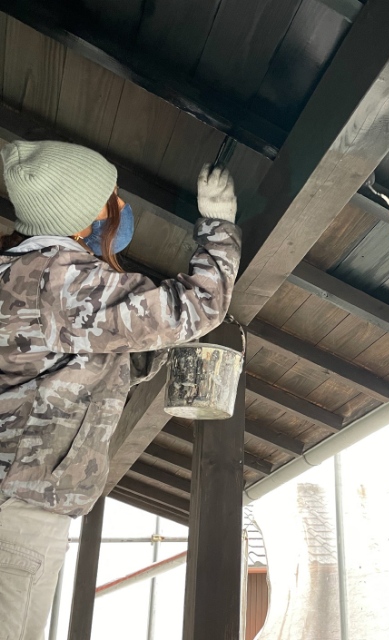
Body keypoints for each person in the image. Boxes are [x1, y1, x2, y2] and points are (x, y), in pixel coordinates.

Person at [0, 140, 241, 639]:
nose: (121, 208)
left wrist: (143, 349)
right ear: (84, 217)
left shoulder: (17, 274)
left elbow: (66, 368)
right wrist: (218, 225)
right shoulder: (63, 281)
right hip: (19, 510)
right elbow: (196, 306)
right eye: (111, 198)